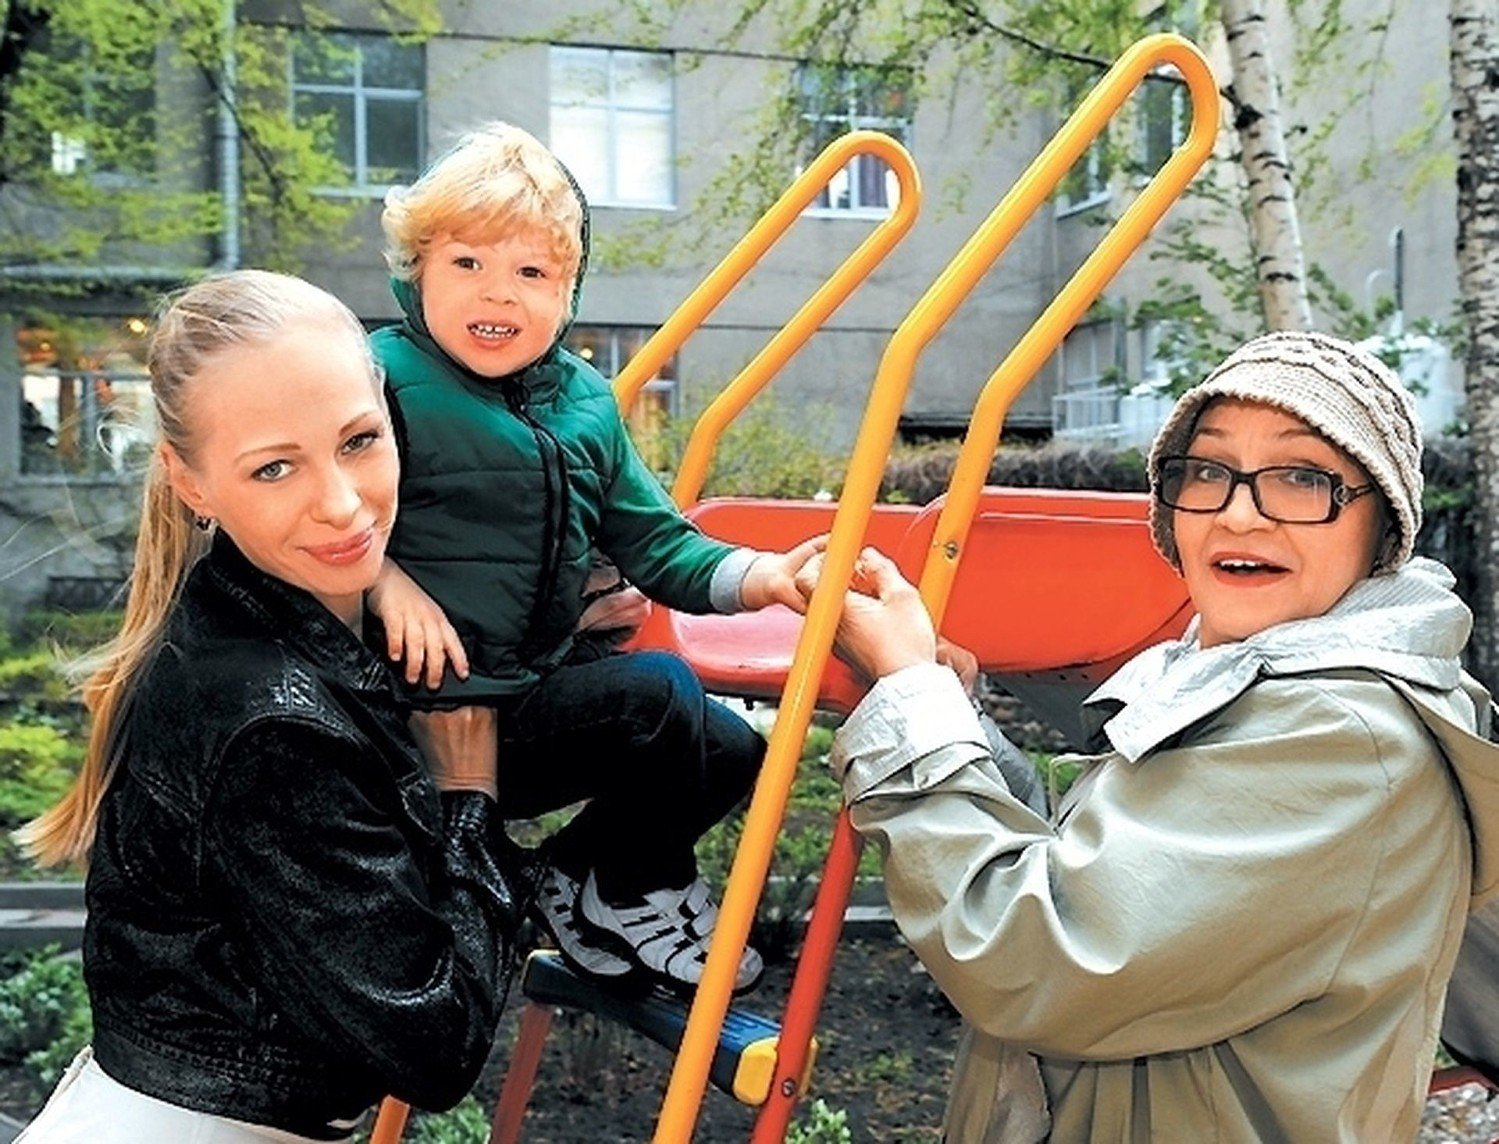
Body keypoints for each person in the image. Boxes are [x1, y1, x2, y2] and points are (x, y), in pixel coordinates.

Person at [802, 331, 1499, 1142]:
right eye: (1204, 471)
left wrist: (907, 697)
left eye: (1302, 477)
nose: (1239, 511)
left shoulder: (1336, 737)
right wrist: (953, 718)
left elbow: (1040, 960)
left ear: (1383, 524)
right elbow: (1096, 868)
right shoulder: (1251, 680)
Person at [13, 270, 526, 1143]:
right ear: (191, 483)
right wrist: (470, 801)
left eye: (359, 441)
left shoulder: (253, 614)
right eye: (275, 467)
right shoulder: (272, 724)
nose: (339, 502)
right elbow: (434, 1043)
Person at [365, 121, 819, 995]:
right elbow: (314, 518)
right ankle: (637, 887)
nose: (497, 294)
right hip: (415, 720)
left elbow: (657, 542)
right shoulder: (378, 377)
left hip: (523, 711)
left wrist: (767, 576)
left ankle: (575, 878)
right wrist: (383, 583)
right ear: (415, 270)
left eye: (530, 273)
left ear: (568, 291)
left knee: (728, 747)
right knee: (659, 697)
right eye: (467, 264)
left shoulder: (584, 403)